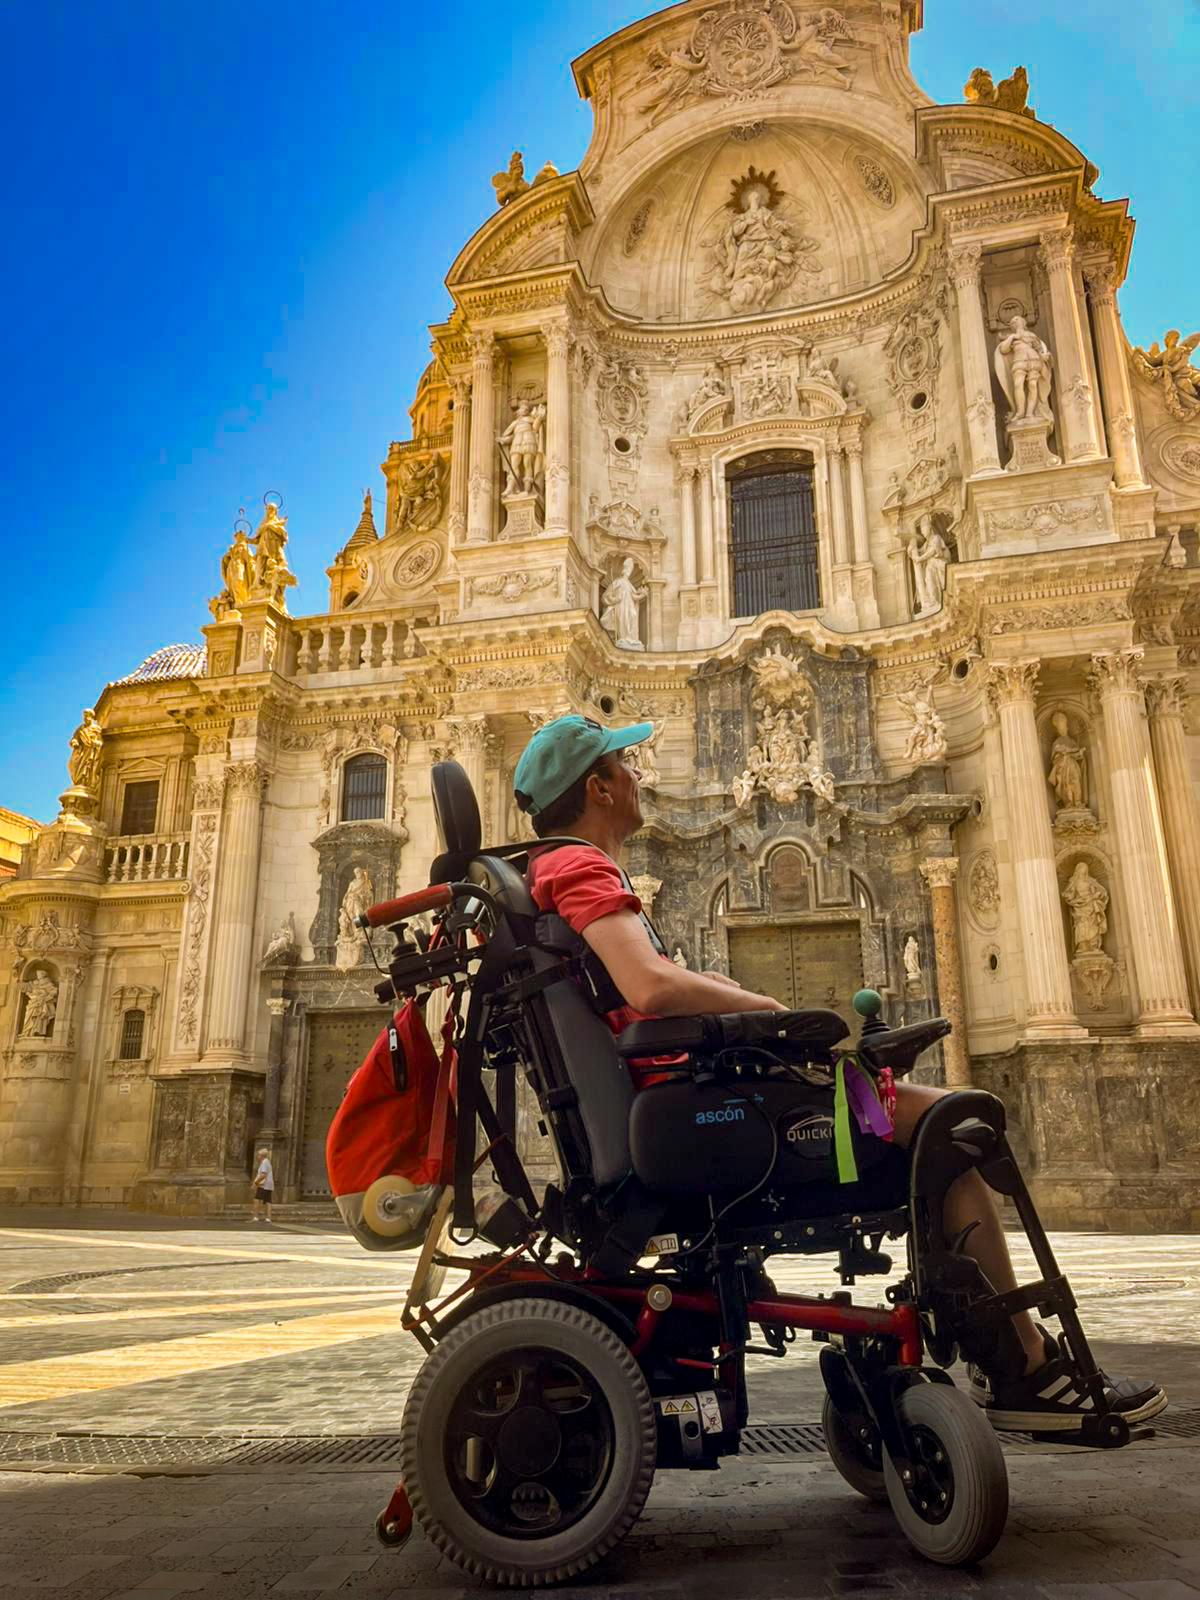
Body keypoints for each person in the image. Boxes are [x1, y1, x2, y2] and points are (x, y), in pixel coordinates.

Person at [512, 714, 1166, 1434]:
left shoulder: (559, 870)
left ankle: (986, 1341)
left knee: (931, 1115)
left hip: (707, 1105)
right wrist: (765, 1008)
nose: (638, 775)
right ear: (599, 787)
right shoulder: (578, 866)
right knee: (954, 1120)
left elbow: (651, 986)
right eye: (625, 764)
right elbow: (651, 988)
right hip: (715, 1117)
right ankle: (1024, 1365)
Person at [252, 1148, 274, 1222]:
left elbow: (263, 1175)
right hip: (269, 1185)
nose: (257, 1157)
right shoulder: (267, 1162)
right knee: (268, 1201)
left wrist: (256, 1183)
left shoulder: (264, 1163)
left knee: (257, 1199)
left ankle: (256, 1217)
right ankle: (268, 1217)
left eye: (258, 1155)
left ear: (261, 1156)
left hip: (263, 1185)